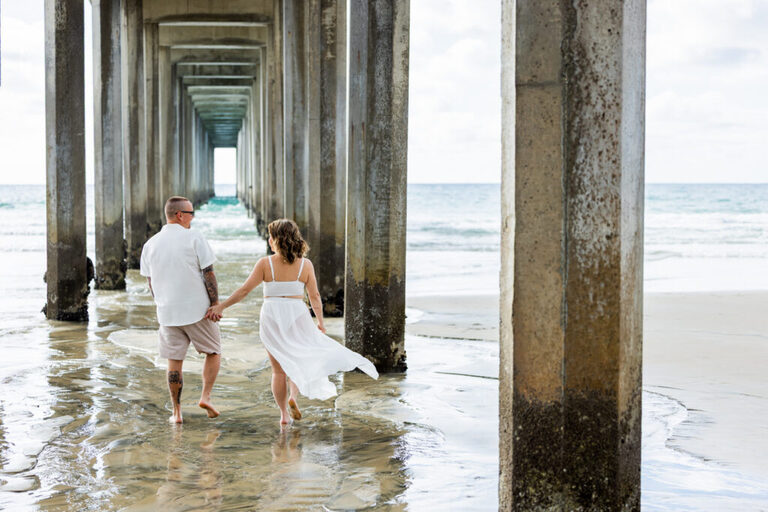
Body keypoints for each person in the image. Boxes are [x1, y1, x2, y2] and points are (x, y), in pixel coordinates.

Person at [206, 218, 378, 425]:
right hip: (297, 313)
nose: (269, 240)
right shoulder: (305, 265)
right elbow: (314, 296)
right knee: (297, 359)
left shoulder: (265, 263)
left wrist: (221, 306)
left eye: (270, 237)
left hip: (272, 315)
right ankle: (293, 397)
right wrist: (321, 323)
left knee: (278, 371)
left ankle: (283, 416)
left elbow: (244, 291)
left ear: (276, 240)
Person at [140, 196, 222, 424]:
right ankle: (205, 397)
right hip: (197, 310)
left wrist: (162, 303)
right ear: (179, 215)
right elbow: (208, 272)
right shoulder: (194, 237)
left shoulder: (150, 244)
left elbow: (150, 282)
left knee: (174, 361)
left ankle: (176, 412)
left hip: (167, 312)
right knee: (213, 351)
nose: (192, 218)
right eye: (190, 213)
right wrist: (215, 303)